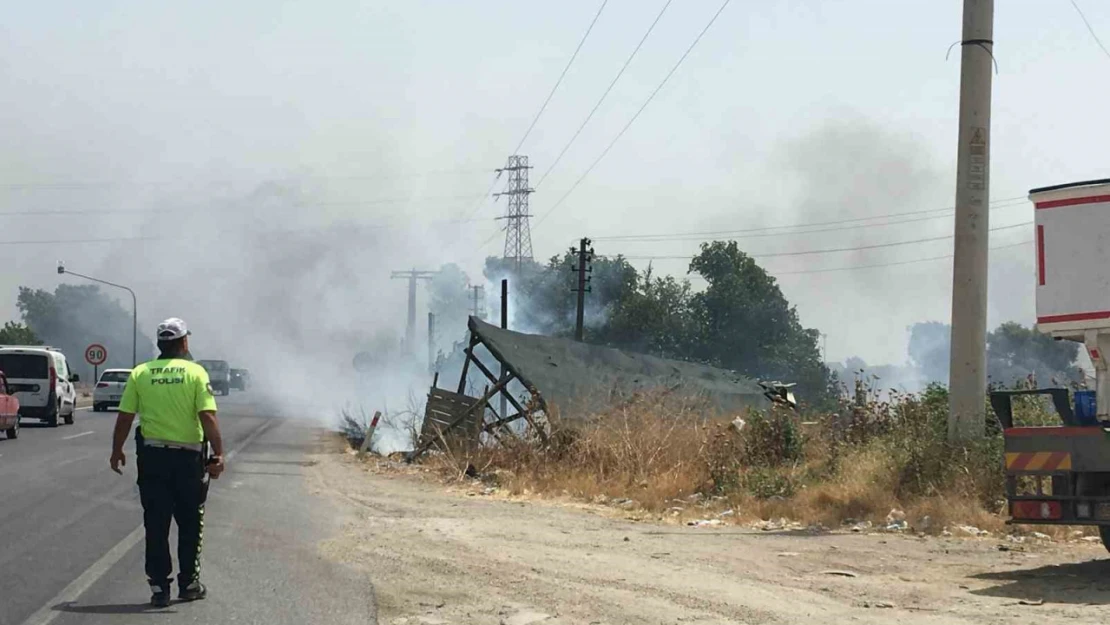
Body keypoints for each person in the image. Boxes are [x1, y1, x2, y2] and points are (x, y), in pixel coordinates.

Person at [110, 317, 226, 608]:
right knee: (190, 522)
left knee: (156, 523)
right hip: (188, 461)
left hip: (153, 460)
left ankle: (159, 588)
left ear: (161, 344)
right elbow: (207, 417)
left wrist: (117, 450)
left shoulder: (141, 373)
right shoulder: (195, 372)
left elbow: (125, 416)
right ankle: (188, 583)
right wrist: (219, 453)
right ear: (184, 342)